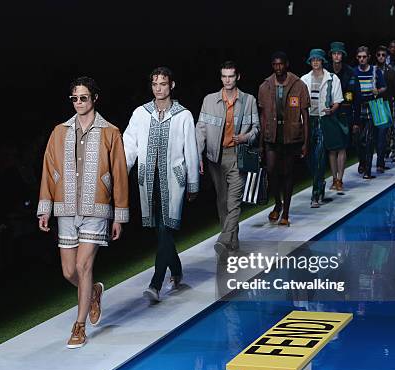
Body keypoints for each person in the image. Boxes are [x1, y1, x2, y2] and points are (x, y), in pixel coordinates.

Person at [37, 76, 129, 349]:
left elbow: (120, 174)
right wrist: (45, 208)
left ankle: (79, 327)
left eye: (83, 98)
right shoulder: (59, 132)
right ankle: (93, 293)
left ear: (95, 99)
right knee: (68, 272)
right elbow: (48, 170)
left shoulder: (110, 132)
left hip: (96, 208)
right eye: (74, 98)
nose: (78, 103)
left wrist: (119, 214)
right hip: (65, 208)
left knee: (83, 266)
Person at [123, 67, 199, 302]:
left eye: (163, 84)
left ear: (172, 85)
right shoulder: (140, 113)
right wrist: (122, 172)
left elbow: (191, 150)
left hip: (174, 179)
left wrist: (193, 182)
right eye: (155, 84)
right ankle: (175, 271)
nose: (158, 89)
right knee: (161, 231)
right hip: (147, 179)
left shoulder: (183, 114)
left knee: (166, 228)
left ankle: (155, 284)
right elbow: (129, 145)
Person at [196, 61, 259, 259]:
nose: (227, 80)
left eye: (231, 76)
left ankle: (223, 240)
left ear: (238, 77)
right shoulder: (209, 100)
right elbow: (201, 130)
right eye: (224, 76)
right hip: (215, 157)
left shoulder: (249, 100)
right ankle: (233, 243)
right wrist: (197, 155)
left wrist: (245, 137)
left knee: (234, 201)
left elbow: (256, 129)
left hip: (237, 156)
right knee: (222, 201)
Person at [258, 51, 310, 224]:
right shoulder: (265, 86)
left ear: (286, 64)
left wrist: (305, 142)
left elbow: (305, 116)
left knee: (288, 173)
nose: (278, 67)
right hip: (271, 136)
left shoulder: (298, 85)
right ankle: (278, 204)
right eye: (275, 64)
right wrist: (261, 143)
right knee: (271, 170)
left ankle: (286, 213)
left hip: (291, 136)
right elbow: (263, 116)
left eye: (280, 64)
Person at [301, 49, 343, 208]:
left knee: (319, 155)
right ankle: (320, 181)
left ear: (322, 61)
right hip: (308, 121)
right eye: (313, 60)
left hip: (324, 120)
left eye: (318, 59)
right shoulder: (304, 79)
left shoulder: (332, 78)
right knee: (309, 157)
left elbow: (338, 99)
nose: (316, 62)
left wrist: (332, 109)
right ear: (310, 62)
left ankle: (316, 194)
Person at [328, 41, 361, 193]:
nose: (336, 56)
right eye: (334, 53)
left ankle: (340, 179)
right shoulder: (326, 71)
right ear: (331, 55)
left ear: (343, 55)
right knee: (331, 148)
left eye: (339, 53)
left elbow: (356, 98)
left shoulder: (350, 72)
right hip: (329, 114)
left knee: (342, 147)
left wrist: (356, 121)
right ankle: (334, 178)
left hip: (346, 114)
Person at [354, 46, 387, 179]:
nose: (362, 59)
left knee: (370, 138)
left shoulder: (375, 71)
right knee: (358, 138)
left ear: (368, 57)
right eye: (359, 57)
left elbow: (384, 86)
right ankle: (362, 161)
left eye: (364, 57)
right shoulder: (354, 72)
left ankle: (367, 169)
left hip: (373, 107)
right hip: (358, 108)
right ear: (357, 58)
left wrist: (378, 91)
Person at [374, 45, 395, 173]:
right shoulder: (372, 70)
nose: (381, 57)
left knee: (383, 135)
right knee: (374, 136)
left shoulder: (391, 71)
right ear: (375, 56)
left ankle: (380, 162)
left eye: (383, 55)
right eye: (379, 55)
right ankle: (367, 163)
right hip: (374, 104)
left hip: (385, 105)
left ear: (386, 56)